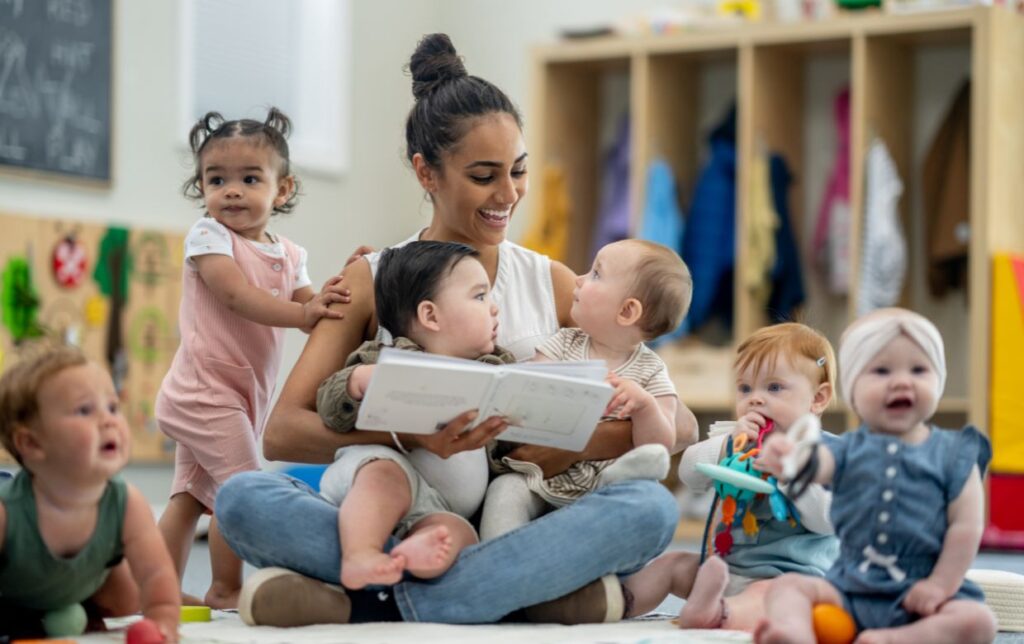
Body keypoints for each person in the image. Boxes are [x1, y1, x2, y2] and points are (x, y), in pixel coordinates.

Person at [215, 33, 697, 628]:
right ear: (427, 172)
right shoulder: (372, 278)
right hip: (393, 508)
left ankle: (372, 601)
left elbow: (679, 425)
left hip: (512, 517)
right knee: (242, 500)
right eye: (484, 175)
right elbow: (282, 433)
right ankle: (504, 596)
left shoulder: (554, 283)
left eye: (517, 171)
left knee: (648, 508)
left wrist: (546, 447)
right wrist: (408, 440)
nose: (509, 194)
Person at [155, 108, 348, 608]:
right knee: (240, 491)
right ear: (201, 187)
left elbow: (312, 306)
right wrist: (302, 316)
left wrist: (343, 284)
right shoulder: (208, 238)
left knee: (190, 498)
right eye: (216, 179)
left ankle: (152, 588)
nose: (231, 190)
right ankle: (225, 587)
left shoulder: (289, 254)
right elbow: (238, 296)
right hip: (204, 393)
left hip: (239, 395)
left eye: (249, 178)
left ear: (282, 190)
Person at [755, 308, 996, 644]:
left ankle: (896, 639)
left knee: (978, 621)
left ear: (937, 380)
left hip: (920, 593)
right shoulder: (848, 449)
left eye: (918, 369)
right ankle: (795, 633)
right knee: (789, 586)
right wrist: (790, 462)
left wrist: (940, 585)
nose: (901, 381)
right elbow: (818, 464)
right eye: (881, 370)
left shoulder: (956, 455)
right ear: (853, 390)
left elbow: (966, 527)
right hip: (851, 588)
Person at [316, 241, 515, 589]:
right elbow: (330, 408)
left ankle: (408, 558)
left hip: (438, 508)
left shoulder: (497, 371)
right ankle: (360, 553)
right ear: (431, 316)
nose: (494, 309)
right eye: (480, 297)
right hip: (382, 476)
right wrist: (357, 382)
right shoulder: (387, 358)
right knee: (385, 477)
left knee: (459, 535)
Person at [619, 323, 840, 631]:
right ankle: (613, 603)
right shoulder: (737, 439)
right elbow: (689, 474)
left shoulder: (827, 455)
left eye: (774, 387)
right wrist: (726, 444)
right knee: (672, 565)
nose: (755, 399)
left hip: (786, 580)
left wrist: (790, 474)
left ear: (818, 398)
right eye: (745, 388)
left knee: (768, 597)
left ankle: (719, 614)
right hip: (723, 569)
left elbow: (828, 520)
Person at [480, 239, 691, 540]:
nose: (578, 279)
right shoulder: (564, 343)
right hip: (544, 477)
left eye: (595, 274)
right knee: (505, 490)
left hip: (608, 488)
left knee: (640, 500)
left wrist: (644, 407)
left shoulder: (650, 370)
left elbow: (660, 445)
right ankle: (498, 562)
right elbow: (527, 391)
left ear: (627, 311)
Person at [0, 346, 180, 641]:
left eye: (112, 407)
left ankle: (74, 607)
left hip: (77, 587)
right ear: (32, 444)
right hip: (10, 599)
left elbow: (156, 575)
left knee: (127, 600)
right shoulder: (7, 513)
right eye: (85, 410)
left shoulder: (128, 503)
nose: (108, 420)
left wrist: (162, 619)